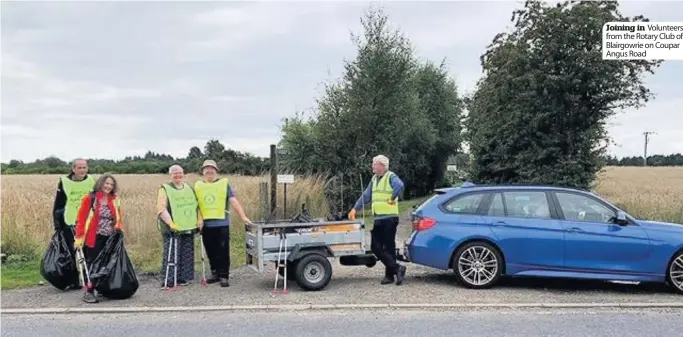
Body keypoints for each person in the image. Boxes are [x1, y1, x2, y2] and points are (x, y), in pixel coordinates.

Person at [348, 155, 407, 285]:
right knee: (376, 247)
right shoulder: (374, 179)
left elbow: (399, 185)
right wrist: (355, 208)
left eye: (374, 164)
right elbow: (366, 195)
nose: (372, 166)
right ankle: (397, 268)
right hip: (379, 218)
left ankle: (389, 275)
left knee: (389, 247)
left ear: (381, 165)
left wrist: (392, 198)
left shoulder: (390, 176)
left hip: (389, 218)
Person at [194, 159, 251, 287]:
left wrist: (243, 216)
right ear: (203, 171)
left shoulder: (224, 184)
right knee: (210, 250)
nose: (209, 170)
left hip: (221, 224)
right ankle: (215, 273)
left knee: (223, 251)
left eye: (212, 168)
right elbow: (196, 205)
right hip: (206, 225)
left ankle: (224, 275)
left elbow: (233, 201)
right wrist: (199, 219)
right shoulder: (198, 186)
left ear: (216, 171)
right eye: (206, 168)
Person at [74, 173, 123, 303]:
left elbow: (118, 217)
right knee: (94, 263)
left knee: (106, 263)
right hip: (94, 236)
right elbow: (81, 218)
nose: (108, 186)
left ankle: (102, 288)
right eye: (106, 183)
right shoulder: (90, 198)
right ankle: (89, 291)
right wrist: (78, 237)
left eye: (111, 184)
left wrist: (119, 229)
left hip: (110, 237)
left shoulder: (114, 199)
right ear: (101, 183)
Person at [52, 158, 95, 290]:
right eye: (80, 168)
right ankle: (74, 280)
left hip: (88, 219)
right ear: (73, 169)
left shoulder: (91, 181)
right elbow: (59, 204)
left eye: (84, 167)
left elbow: (97, 199)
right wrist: (57, 224)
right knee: (73, 250)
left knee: (89, 249)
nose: (82, 170)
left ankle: (90, 277)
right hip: (69, 220)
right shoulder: (64, 182)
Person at [156, 164, 201, 288]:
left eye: (180, 173)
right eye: (175, 173)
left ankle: (183, 277)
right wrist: (170, 223)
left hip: (188, 226)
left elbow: (196, 205)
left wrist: (199, 220)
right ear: (170, 175)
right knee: (171, 253)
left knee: (186, 252)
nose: (178, 175)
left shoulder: (188, 188)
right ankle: (169, 279)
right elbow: (161, 208)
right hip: (173, 227)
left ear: (183, 174)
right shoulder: (164, 188)